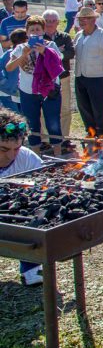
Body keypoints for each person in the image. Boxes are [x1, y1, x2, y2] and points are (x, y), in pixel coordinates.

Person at [6, 16, 64, 154]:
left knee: (53, 122)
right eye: (32, 30)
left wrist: (44, 52)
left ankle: (58, 153)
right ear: (27, 32)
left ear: (43, 31)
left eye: (38, 29)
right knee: (32, 124)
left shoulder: (50, 45)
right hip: (28, 91)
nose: (35, 32)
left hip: (50, 90)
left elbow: (58, 64)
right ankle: (36, 155)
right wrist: (23, 55)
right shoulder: (21, 48)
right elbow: (9, 67)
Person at [0, 107, 44, 285]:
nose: (11, 155)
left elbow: (44, 186)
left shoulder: (26, 158)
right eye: (3, 149)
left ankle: (31, 267)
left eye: (16, 148)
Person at [73, 6, 103, 142]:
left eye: (86, 18)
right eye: (80, 19)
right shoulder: (78, 36)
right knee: (84, 109)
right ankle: (91, 135)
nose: (82, 21)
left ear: (94, 19)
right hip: (80, 78)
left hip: (99, 79)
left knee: (100, 111)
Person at [41, 10, 76, 151]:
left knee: (65, 108)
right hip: (45, 79)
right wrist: (58, 52)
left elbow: (71, 53)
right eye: (47, 21)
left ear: (57, 22)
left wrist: (51, 54)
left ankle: (64, 139)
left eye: (53, 21)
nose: (50, 24)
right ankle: (45, 139)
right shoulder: (38, 38)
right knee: (43, 110)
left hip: (63, 78)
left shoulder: (65, 37)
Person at [0, 28, 24, 112]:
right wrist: (4, 82)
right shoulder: (9, 54)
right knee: (15, 118)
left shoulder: (30, 54)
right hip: (9, 92)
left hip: (23, 92)